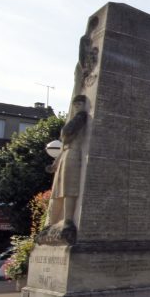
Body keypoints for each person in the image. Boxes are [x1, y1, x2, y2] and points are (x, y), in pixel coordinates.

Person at [44, 95, 89, 239]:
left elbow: (66, 133)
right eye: (75, 105)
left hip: (73, 155)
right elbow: (63, 146)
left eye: (79, 104)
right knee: (57, 191)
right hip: (65, 155)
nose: (76, 107)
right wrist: (55, 164)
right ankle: (51, 223)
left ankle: (68, 220)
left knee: (69, 188)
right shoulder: (75, 119)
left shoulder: (81, 118)